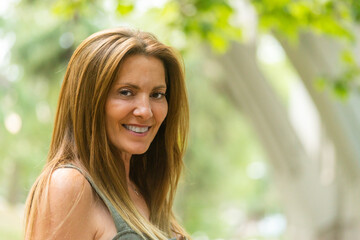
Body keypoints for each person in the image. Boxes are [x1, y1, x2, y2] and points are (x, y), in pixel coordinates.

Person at [24, 27, 190, 240]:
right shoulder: (70, 185)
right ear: (88, 101)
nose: (146, 111)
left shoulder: (143, 188)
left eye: (157, 94)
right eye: (126, 92)